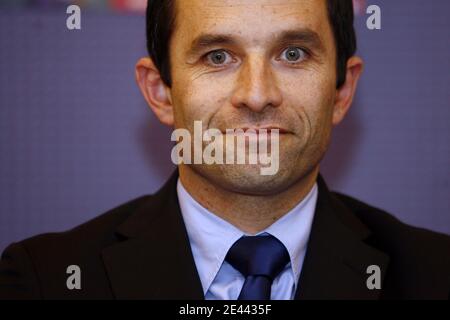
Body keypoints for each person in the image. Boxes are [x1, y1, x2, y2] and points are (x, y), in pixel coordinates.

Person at [0, 0, 449, 300]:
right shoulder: (46, 279)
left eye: (293, 54)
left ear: (342, 90)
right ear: (159, 92)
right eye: (218, 56)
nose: (256, 95)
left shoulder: (436, 275)